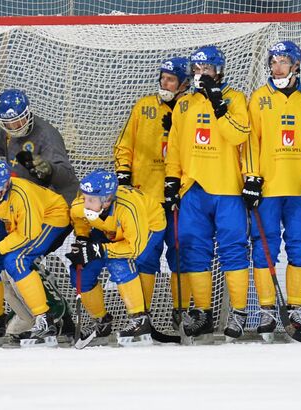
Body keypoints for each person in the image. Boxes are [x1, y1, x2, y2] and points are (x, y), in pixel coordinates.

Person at [164, 45, 251, 342]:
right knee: (192, 251)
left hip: (227, 187)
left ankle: (238, 312)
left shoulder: (236, 98)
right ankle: (202, 313)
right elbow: (174, 146)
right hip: (193, 189)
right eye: (197, 70)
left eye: (207, 69)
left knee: (234, 249)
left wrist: (218, 105)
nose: (202, 75)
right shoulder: (184, 103)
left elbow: (239, 135)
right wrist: (171, 182)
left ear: (219, 70)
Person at [244, 40, 301, 341]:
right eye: (274, 61)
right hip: (267, 186)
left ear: (296, 65)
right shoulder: (258, 99)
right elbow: (250, 142)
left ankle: (294, 308)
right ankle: (267, 310)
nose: (276, 67)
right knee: (262, 245)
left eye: (283, 61)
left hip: (299, 188)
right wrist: (251, 178)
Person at [113, 57, 192, 324]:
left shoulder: (191, 108)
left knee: (181, 253)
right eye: (162, 77)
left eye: (170, 78)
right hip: (145, 198)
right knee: (145, 256)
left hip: (179, 197)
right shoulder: (143, 106)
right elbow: (125, 144)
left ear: (184, 83)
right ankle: (141, 316)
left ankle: (181, 312)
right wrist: (123, 174)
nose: (164, 82)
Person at [0, 160, 70, 347]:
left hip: (50, 218)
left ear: (4, 186)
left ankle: (45, 320)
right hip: (13, 221)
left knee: (16, 260)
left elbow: (27, 234)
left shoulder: (23, 196)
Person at [66, 169, 160, 347]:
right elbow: (77, 217)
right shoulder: (82, 206)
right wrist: (83, 238)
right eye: (85, 197)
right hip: (109, 231)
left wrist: (98, 249)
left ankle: (140, 321)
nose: (85, 204)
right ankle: (102, 322)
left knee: (121, 262)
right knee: (82, 269)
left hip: (148, 227)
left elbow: (134, 248)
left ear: (107, 200)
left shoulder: (128, 209)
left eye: (91, 200)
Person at [0, 88, 79, 204]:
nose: (15, 127)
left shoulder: (46, 136)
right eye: (8, 123)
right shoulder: (7, 132)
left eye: (19, 120)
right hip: (23, 198)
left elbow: (66, 177)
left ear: (27, 113)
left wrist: (49, 169)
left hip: (55, 202)